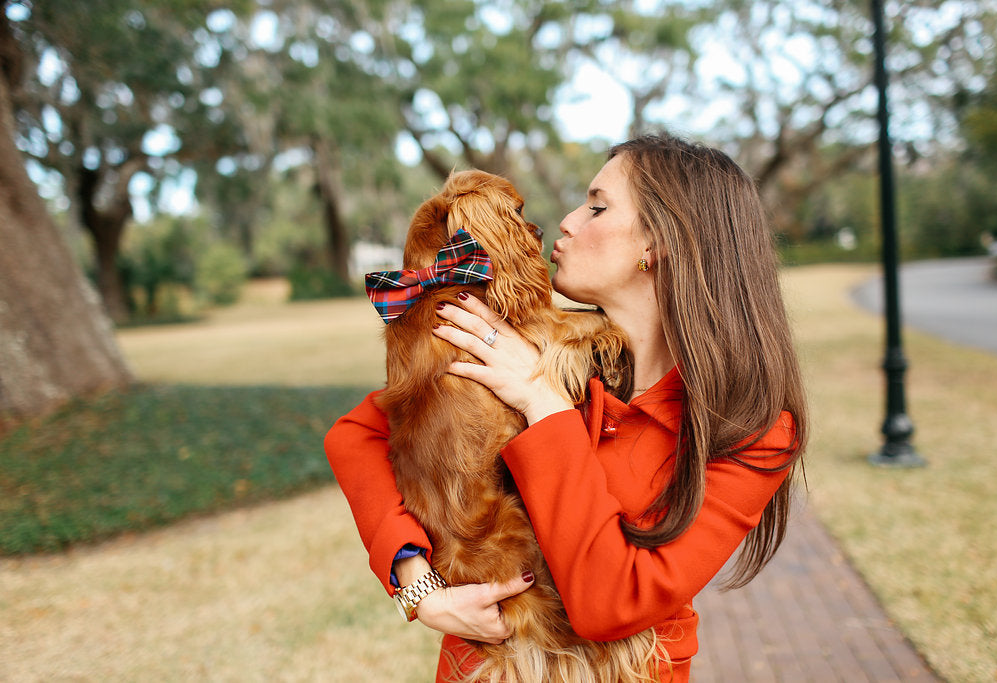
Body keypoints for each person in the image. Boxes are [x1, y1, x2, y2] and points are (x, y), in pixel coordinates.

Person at [324, 133, 807, 682]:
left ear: (662, 242)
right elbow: (355, 434)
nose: (568, 222)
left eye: (597, 207)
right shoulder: (529, 346)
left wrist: (541, 402)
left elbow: (611, 605)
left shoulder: (753, 430)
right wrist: (418, 586)